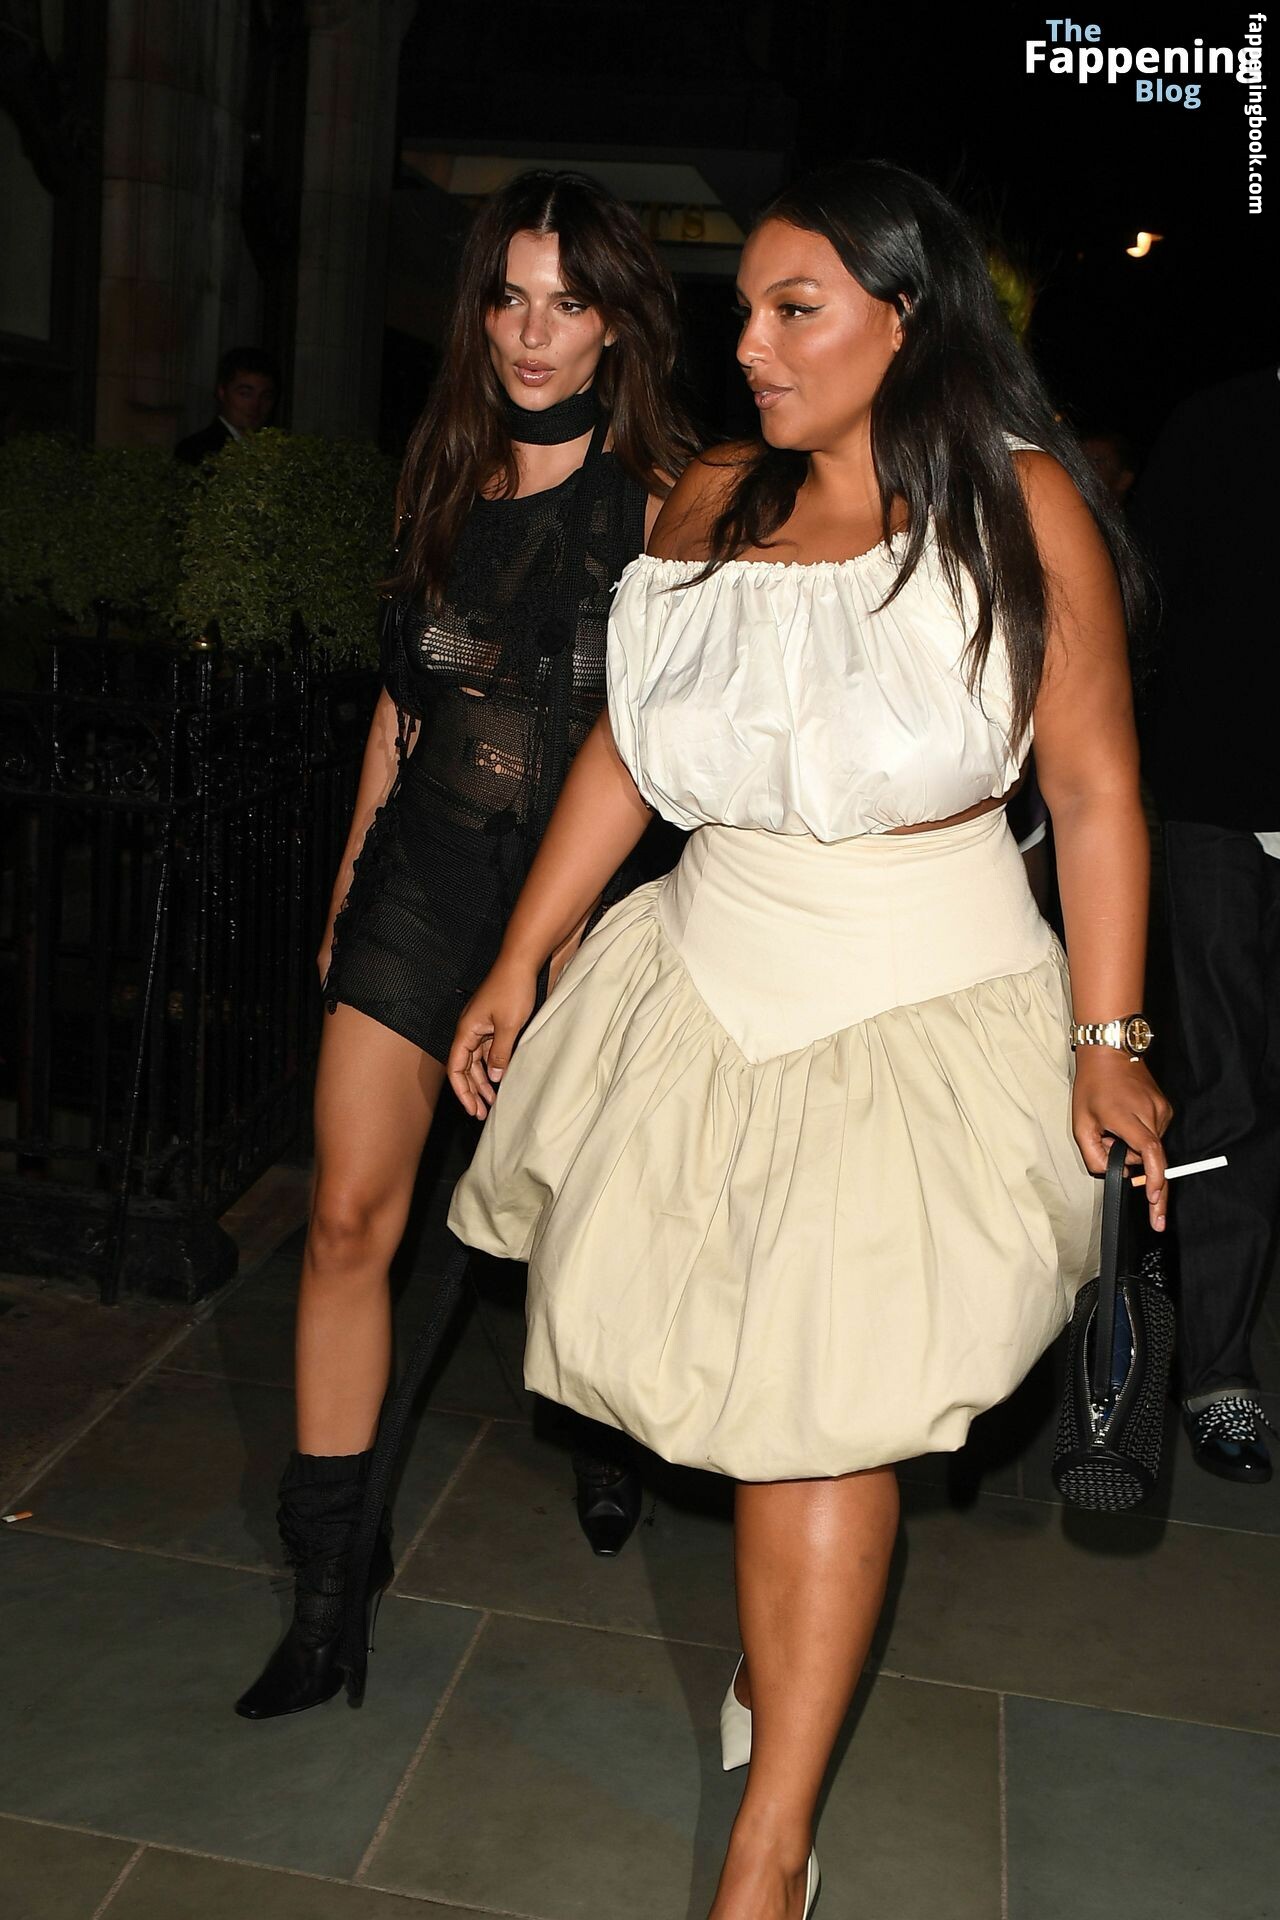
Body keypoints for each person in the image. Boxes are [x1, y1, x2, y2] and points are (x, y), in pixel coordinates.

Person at [446, 160, 1171, 1920]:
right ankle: (786, 1675)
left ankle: (767, 1854)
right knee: (757, 1409)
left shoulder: (1019, 509)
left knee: (824, 1428)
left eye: (797, 311)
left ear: (906, 322)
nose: (754, 348)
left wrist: (1109, 1032)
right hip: (709, 984)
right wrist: (520, 957)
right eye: (748, 313)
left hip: (918, 1006)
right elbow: (631, 754)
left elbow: (1092, 789)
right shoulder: (711, 497)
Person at [234, 171, 696, 1721]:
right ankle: (327, 1585)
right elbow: (405, 707)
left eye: (568, 302)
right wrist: (347, 891)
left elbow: (669, 747)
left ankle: (614, 1440)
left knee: (582, 1230)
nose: (533, 332)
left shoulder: (665, 504)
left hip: (579, 916)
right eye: (509, 297)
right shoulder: (439, 478)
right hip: (421, 888)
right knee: (347, 1222)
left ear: (617, 324)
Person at [1133, 365, 1280, 1483]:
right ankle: (1216, 1373)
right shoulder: (1219, 423)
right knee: (1224, 1091)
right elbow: (1140, 607)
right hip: (1216, 806)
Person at [174, 346, 280, 463]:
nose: (256, 405)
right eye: (245, 394)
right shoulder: (195, 450)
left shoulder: (275, 451)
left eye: (266, 397)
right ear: (222, 392)